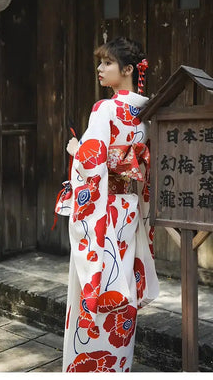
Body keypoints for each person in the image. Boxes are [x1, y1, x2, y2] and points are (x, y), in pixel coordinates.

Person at [54, 36, 159, 372]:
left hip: (103, 209)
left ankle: (88, 365)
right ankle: (118, 364)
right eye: (100, 62)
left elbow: (92, 161)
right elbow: (141, 165)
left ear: (127, 69)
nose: (100, 69)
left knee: (95, 280)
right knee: (122, 283)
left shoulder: (105, 108)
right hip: (127, 209)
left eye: (107, 63)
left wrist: (75, 150)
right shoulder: (146, 112)